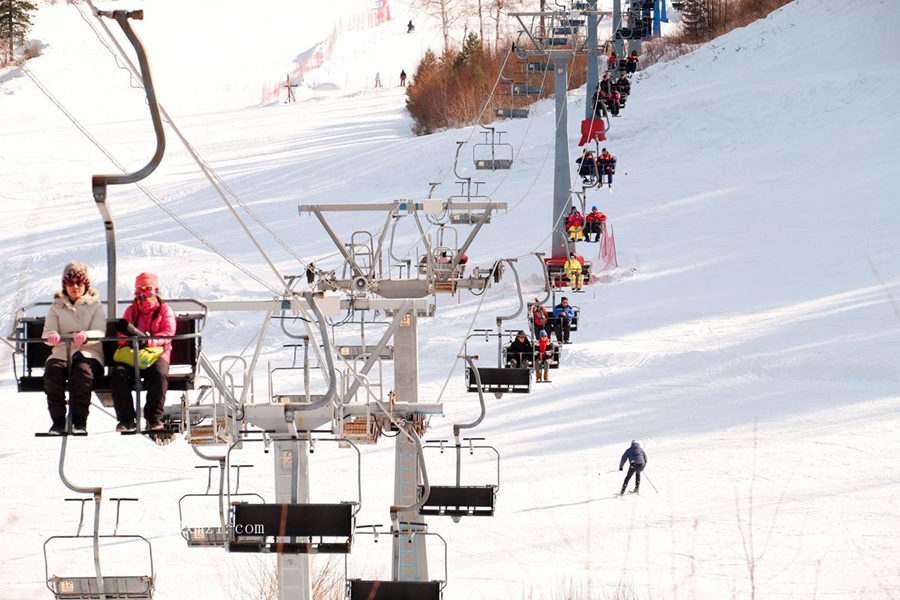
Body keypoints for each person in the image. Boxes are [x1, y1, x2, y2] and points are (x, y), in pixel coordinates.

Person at [42, 262, 106, 435]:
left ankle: (79, 422)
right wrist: (52, 336)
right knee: (52, 373)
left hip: (89, 352)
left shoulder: (94, 305)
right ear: (65, 285)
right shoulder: (57, 307)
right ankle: (58, 422)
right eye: (70, 283)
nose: (75, 287)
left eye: (79, 283)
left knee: (82, 374)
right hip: (63, 352)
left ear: (86, 284)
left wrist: (86, 335)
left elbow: (100, 331)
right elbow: (47, 332)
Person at [111, 273, 176, 433]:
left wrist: (148, 341)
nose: (144, 294)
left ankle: (153, 418)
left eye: (148, 289)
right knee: (118, 374)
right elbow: (121, 335)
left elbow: (168, 333)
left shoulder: (164, 310)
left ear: (156, 290)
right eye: (140, 290)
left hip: (156, 354)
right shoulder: (131, 311)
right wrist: (132, 341)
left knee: (158, 374)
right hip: (133, 355)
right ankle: (126, 419)